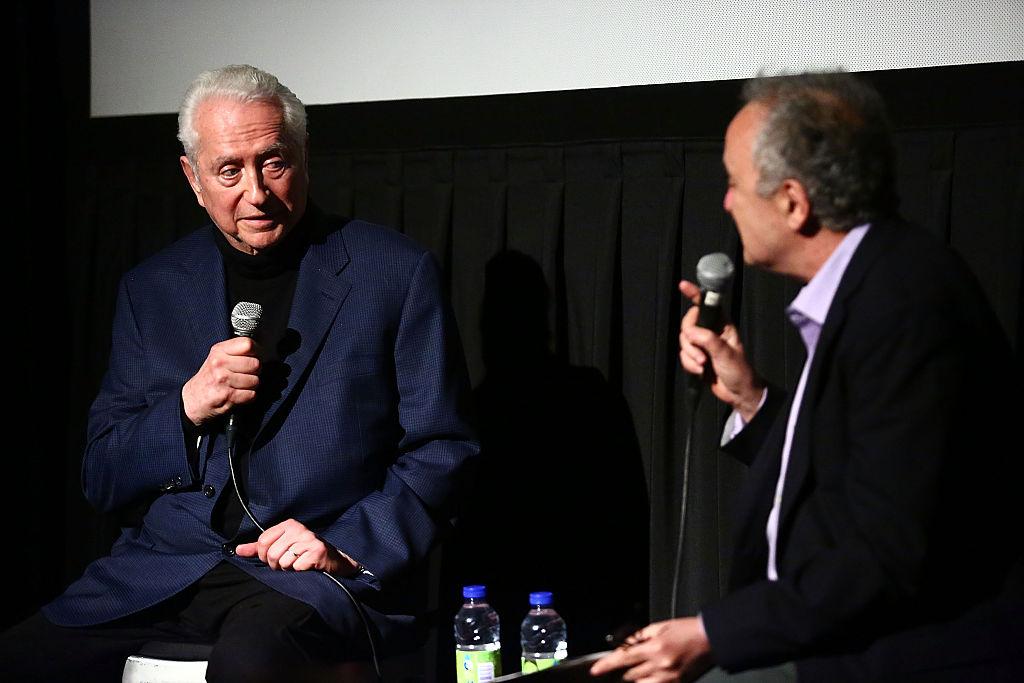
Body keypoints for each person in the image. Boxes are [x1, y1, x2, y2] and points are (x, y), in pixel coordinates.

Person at [1, 65, 477, 682]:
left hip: (305, 578)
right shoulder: (153, 289)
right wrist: (185, 409)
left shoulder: (392, 272)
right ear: (193, 179)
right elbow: (102, 475)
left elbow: (444, 449)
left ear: (303, 159)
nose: (255, 191)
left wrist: (346, 545)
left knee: (251, 665)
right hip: (164, 571)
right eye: (229, 170)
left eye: (273, 163)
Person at [592, 72, 1022, 682]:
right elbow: (854, 473)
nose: (726, 202)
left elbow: (885, 554)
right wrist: (751, 399)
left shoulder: (903, 303)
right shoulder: (873, 283)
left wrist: (713, 634)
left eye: (735, 184)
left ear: (793, 202)